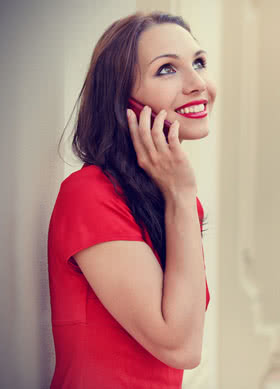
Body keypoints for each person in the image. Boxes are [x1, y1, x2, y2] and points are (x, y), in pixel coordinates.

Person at [47, 11, 216, 388]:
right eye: (167, 70)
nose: (197, 83)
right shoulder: (89, 196)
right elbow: (181, 347)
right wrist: (181, 196)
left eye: (199, 63)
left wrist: (180, 197)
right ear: (123, 101)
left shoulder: (174, 199)